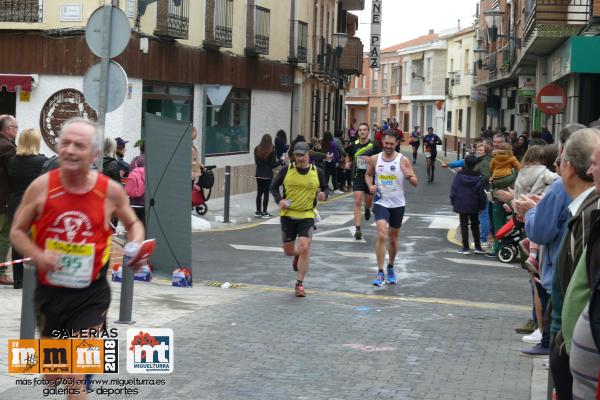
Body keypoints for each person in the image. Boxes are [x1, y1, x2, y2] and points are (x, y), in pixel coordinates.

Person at [9, 117, 146, 399]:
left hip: (91, 296)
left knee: (75, 376)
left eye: (79, 145)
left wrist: (135, 246)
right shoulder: (42, 187)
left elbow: (133, 224)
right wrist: (38, 255)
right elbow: (17, 232)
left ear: (94, 154)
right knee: (53, 376)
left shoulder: (109, 191)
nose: (70, 150)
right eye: (65, 143)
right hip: (50, 296)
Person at [269, 141, 328, 297]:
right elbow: (273, 187)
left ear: (308, 154)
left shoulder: (317, 171)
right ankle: (296, 255)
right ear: (293, 156)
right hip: (288, 215)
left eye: (302, 155)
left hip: (307, 214)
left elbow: (325, 187)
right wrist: (279, 200)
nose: (300, 158)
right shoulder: (286, 169)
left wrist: (324, 195)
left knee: (305, 247)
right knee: (289, 251)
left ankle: (299, 284)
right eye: (297, 155)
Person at [365, 131, 417, 286]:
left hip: (398, 204)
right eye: (385, 143)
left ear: (396, 144)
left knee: (393, 238)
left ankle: (391, 267)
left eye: (391, 144)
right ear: (382, 142)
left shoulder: (403, 160)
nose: (388, 146)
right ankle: (380, 272)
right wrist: (370, 186)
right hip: (381, 202)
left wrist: (409, 176)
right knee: (381, 234)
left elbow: (415, 182)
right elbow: (368, 175)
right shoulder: (375, 159)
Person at [7, 128, 47, 288]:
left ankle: (18, 279)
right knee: (37, 238)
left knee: (18, 239)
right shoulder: (42, 161)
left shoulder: (12, 161)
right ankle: (36, 277)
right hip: (34, 203)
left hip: (16, 202)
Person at [345, 122, 381, 240]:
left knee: (368, 201)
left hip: (370, 177)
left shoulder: (374, 145)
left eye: (364, 130)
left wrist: (370, 160)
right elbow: (348, 155)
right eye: (360, 130)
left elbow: (380, 159)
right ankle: (358, 229)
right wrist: (348, 162)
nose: (362, 132)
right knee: (357, 200)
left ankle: (367, 208)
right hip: (357, 176)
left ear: (368, 132)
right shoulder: (353, 144)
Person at [450, 154, 487, 255]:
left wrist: (453, 200)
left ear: (465, 163)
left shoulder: (459, 175)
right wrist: (482, 204)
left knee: (464, 225)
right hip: (474, 204)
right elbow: (481, 192)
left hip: (461, 202)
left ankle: (465, 248)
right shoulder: (478, 176)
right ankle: (478, 247)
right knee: (475, 225)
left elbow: (454, 188)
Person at [0, 114, 18, 286]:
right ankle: (1, 272)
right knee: (4, 236)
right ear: (7, 129)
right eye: (15, 128)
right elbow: (14, 172)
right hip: (3, 199)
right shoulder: (7, 147)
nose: (16, 131)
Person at [254, 133, 280, 218]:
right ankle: (264, 212)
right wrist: (281, 160)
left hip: (258, 173)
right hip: (267, 174)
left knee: (259, 193)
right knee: (266, 193)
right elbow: (273, 165)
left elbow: (256, 162)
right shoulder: (271, 150)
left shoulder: (257, 149)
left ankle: (258, 211)